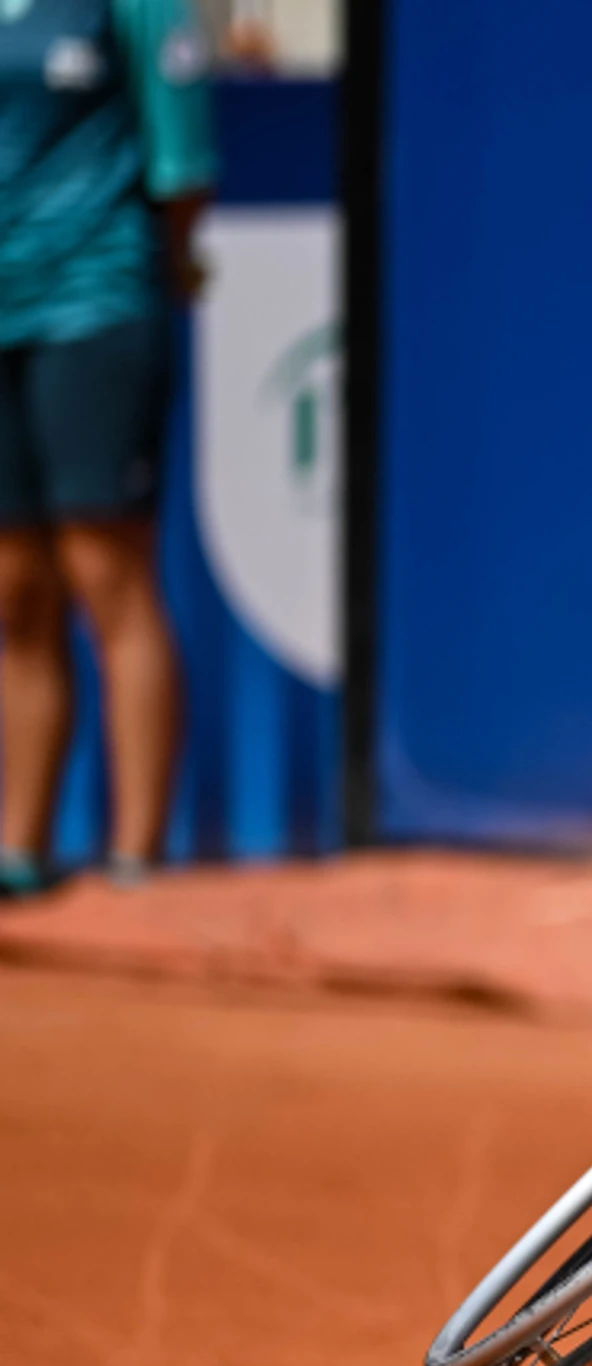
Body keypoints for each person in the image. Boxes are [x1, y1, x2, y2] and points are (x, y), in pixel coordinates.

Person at [0, 0, 212, 897]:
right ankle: (20, 850)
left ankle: (135, 855)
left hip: (98, 303)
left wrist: (162, 265)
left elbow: (182, 165)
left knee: (106, 571)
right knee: (12, 590)